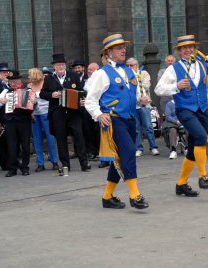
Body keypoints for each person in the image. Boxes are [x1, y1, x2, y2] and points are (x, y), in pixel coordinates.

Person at [85, 33, 149, 209]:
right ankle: (135, 195)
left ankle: (107, 196)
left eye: (123, 47)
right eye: (118, 48)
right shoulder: (101, 73)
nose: (123, 49)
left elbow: (134, 96)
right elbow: (90, 100)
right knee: (128, 151)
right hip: (113, 120)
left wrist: (140, 100)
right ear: (109, 53)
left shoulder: (130, 71)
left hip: (129, 119)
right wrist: (99, 114)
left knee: (120, 157)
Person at [155, 34, 208, 197]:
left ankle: (181, 184)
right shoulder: (173, 69)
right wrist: (176, 86)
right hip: (185, 109)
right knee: (200, 137)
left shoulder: (204, 66)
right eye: (184, 48)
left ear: (194, 49)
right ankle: (203, 176)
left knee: (193, 147)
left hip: (203, 110)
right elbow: (158, 89)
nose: (187, 50)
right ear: (179, 51)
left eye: (190, 47)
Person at [40, 53, 90, 172]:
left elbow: (81, 90)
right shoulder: (49, 78)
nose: (60, 66)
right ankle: (65, 165)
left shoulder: (73, 75)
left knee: (79, 136)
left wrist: (82, 98)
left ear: (65, 65)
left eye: (62, 64)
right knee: (61, 138)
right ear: (54, 67)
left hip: (73, 111)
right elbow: (42, 93)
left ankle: (84, 163)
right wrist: (52, 94)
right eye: (58, 65)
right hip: (58, 112)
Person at [0, 70, 35, 177]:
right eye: (11, 81)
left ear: (19, 80)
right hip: (10, 122)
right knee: (12, 146)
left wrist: (34, 101)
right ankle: (12, 168)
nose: (13, 83)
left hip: (24, 121)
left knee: (25, 146)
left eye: (15, 80)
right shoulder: (6, 91)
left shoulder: (28, 90)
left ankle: (25, 167)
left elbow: (34, 105)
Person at [126, 57, 159, 157]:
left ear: (136, 65)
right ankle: (139, 148)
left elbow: (146, 86)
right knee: (136, 128)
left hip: (144, 103)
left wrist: (135, 77)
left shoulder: (143, 73)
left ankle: (153, 147)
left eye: (131, 65)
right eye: (127, 66)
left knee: (148, 126)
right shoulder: (125, 76)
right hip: (133, 105)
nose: (129, 67)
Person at [29, 68, 59, 172]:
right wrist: (31, 110)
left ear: (35, 76)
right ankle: (40, 163)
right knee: (37, 139)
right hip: (35, 114)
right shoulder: (29, 86)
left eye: (30, 76)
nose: (29, 78)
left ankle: (54, 161)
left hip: (46, 112)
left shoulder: (46, 83)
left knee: (50, 137)